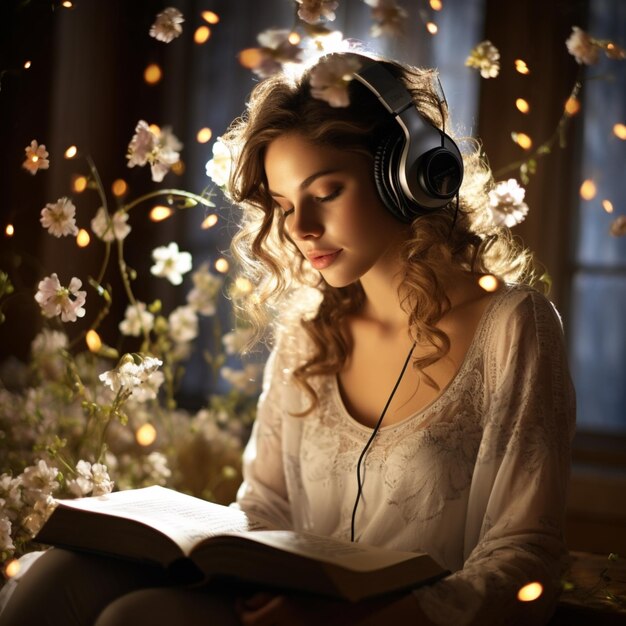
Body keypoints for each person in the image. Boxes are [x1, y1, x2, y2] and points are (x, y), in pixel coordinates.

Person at [0, 51, 575, 626]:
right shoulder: (308, 332)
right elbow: (266, 506)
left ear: (410, 175)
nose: (300, 228)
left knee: (139, 618)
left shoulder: (514, 327)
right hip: (276, 604)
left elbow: (523, 558)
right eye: (283, 205)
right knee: (58, 573)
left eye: (325, 193)